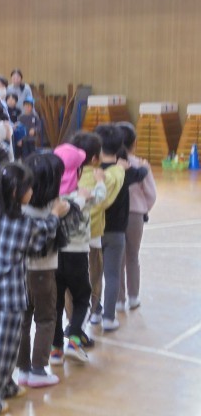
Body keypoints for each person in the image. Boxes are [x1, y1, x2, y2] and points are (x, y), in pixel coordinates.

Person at [0, 162, 68, 416]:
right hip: (6, 299)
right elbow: (42, 233)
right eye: (29, 187)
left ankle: (5, 386)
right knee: (2, 354)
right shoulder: (20, 226)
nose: (32, 191)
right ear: (16, 192)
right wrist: (55, 214)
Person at [50, 144, 106, 366]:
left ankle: (55, 350)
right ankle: (74, 339)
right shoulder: (82, 194)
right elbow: (101, 196)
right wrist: (99, 180)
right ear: (78, 172)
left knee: (56, 304)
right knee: (82, 297)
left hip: (54, 257)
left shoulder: (50, 196)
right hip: (77, 255)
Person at [16, 153, 65, 388]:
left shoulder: (18, 207)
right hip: (43, 272)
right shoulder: (54, 209)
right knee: (46, 318)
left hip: (19, 272)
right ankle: (38, 369)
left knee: (23, 319)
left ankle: (23, 369)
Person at [94, 124, 148, 331]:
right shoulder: (123, 171)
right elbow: (140, 174)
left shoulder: (94, 171)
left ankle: (94, 313)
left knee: (95, 274)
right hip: (116, 230)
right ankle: (109, 317)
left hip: (95, 230)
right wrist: (143, 166)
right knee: (113, 274)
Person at [70, 131, 124, 330]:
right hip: (92, 236)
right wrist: (120, 167)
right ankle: (91, 315)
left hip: (68, 240)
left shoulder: (68, 176)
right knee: (94, 278)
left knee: (71, 284)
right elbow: (114, 180)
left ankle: (74, 324)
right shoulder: (100, 177)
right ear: (94, 158)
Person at [117, 122, 157, 310]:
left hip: (114, 216)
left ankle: (118, 300)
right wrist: (142, 209)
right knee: (133, 256)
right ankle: (133, 297)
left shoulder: (111, 164)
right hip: (135, 216)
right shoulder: (141, 165)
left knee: (117, 259)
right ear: (134, 143)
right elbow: (151, 194)